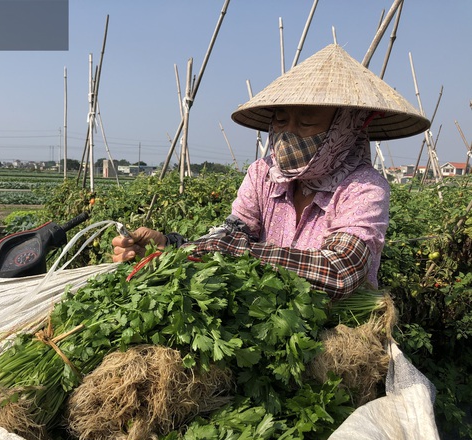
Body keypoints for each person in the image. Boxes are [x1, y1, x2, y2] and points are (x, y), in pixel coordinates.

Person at [111, 43, 430, 299]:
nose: (288, 132)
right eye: (280, 120)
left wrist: (238, 252)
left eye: (305, 122)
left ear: (345, 127)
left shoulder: (363, 187)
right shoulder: (263, 174)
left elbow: (340, 270)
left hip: (338, 335)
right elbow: (232, 233)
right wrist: (169, 246)